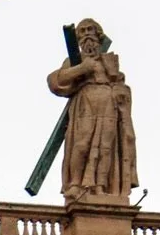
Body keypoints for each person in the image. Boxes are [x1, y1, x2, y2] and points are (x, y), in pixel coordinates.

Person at [47, 18, 138, 202]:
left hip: (109, 105)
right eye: (83, 31)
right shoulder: (75, 61)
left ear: (98, 35)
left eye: (91, 30)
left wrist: (120, 93)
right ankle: (75, 185)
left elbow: (121, 84)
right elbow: (55, 80)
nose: (88, 34)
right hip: (85, 103)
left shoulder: (109, 61)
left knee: (106, 148)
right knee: (82, 144)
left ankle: (101, 187)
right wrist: (82, 68)